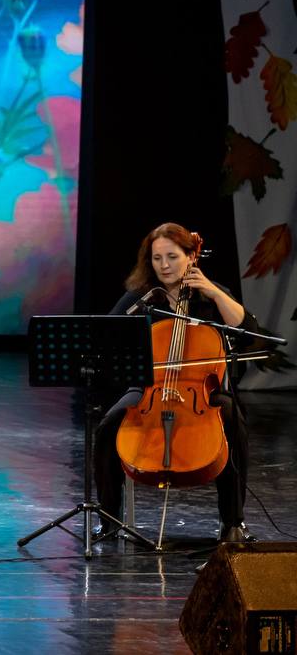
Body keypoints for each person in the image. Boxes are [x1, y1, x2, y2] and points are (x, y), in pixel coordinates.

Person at [94, 222, 257, 543]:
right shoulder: (143, 296)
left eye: (172, 256)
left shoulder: (211, 296)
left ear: (190, 256)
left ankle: (233, 522)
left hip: (203, 394)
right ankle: (109, 517)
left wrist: (211, 291)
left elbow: (248, 330)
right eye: (157, 258)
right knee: (108, 424)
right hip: (148, 389)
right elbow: (105, 335)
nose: (164, 265)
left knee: (233, 421)